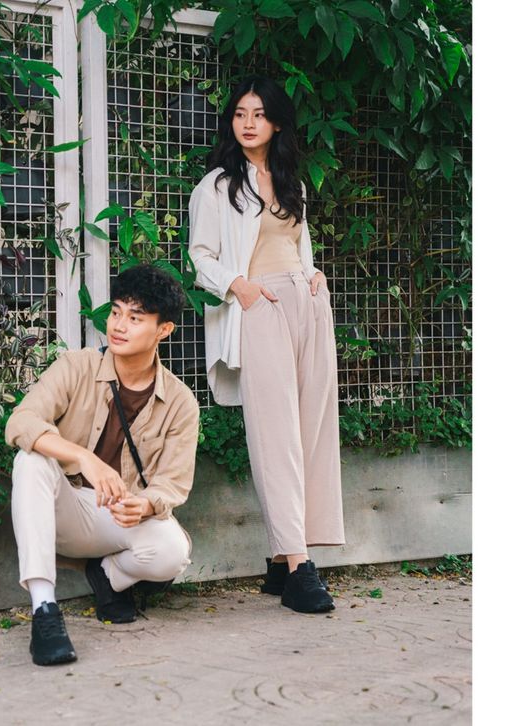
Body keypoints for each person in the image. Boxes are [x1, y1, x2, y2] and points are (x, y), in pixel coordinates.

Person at [188, 75, 345, 615]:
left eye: (258, 114)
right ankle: (300, 568)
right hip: (260, 308)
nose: (248, 123)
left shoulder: (289, 181)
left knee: (312, 430)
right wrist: (240, 287)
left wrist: (314, 274)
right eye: (239, 113)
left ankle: (281, 561)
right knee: (276, 435)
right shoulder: (216, 186)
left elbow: (298, 244)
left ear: (276, 122)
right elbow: (201, 256)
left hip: (307, 303)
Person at [5, 263, 199, 665]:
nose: (119, 326)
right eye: (115, 312)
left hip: (118, 516)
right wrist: (83, 457)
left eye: (135, 318)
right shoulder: (76, 366)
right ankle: (45, 610)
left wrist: (145, 504)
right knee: (31, 460)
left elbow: (173, 483)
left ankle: (107, 577)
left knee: (172, 550)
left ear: (163, 330)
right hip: (66, 508)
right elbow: (21, 422)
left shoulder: (181, 402)